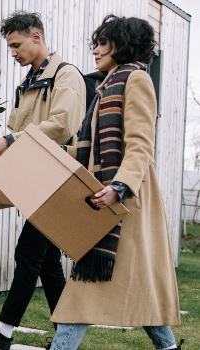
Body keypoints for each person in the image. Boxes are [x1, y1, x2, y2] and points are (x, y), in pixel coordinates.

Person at [47, 14, 182, 350]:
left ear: (121, 44)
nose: (95, 50)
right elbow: (89, 146)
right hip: (104, 198)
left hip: (124, 203)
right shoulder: (107, 85)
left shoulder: (135, 80)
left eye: (102, 43)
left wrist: (119, 188)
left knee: (82, 294)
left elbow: (140, 145)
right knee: (140, 295)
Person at [0, 11, 86, 350]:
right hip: (36, 178)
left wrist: (12, 140)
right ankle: (66, 337)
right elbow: (16, 129)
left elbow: (62, 125)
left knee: (29, 252)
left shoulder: (66, 75)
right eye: (9, 47)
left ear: (36, 37)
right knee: (47, 263)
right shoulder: (27, 84)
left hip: (60, 178)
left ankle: (3, 332)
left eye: (16, 45)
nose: (13, 52)